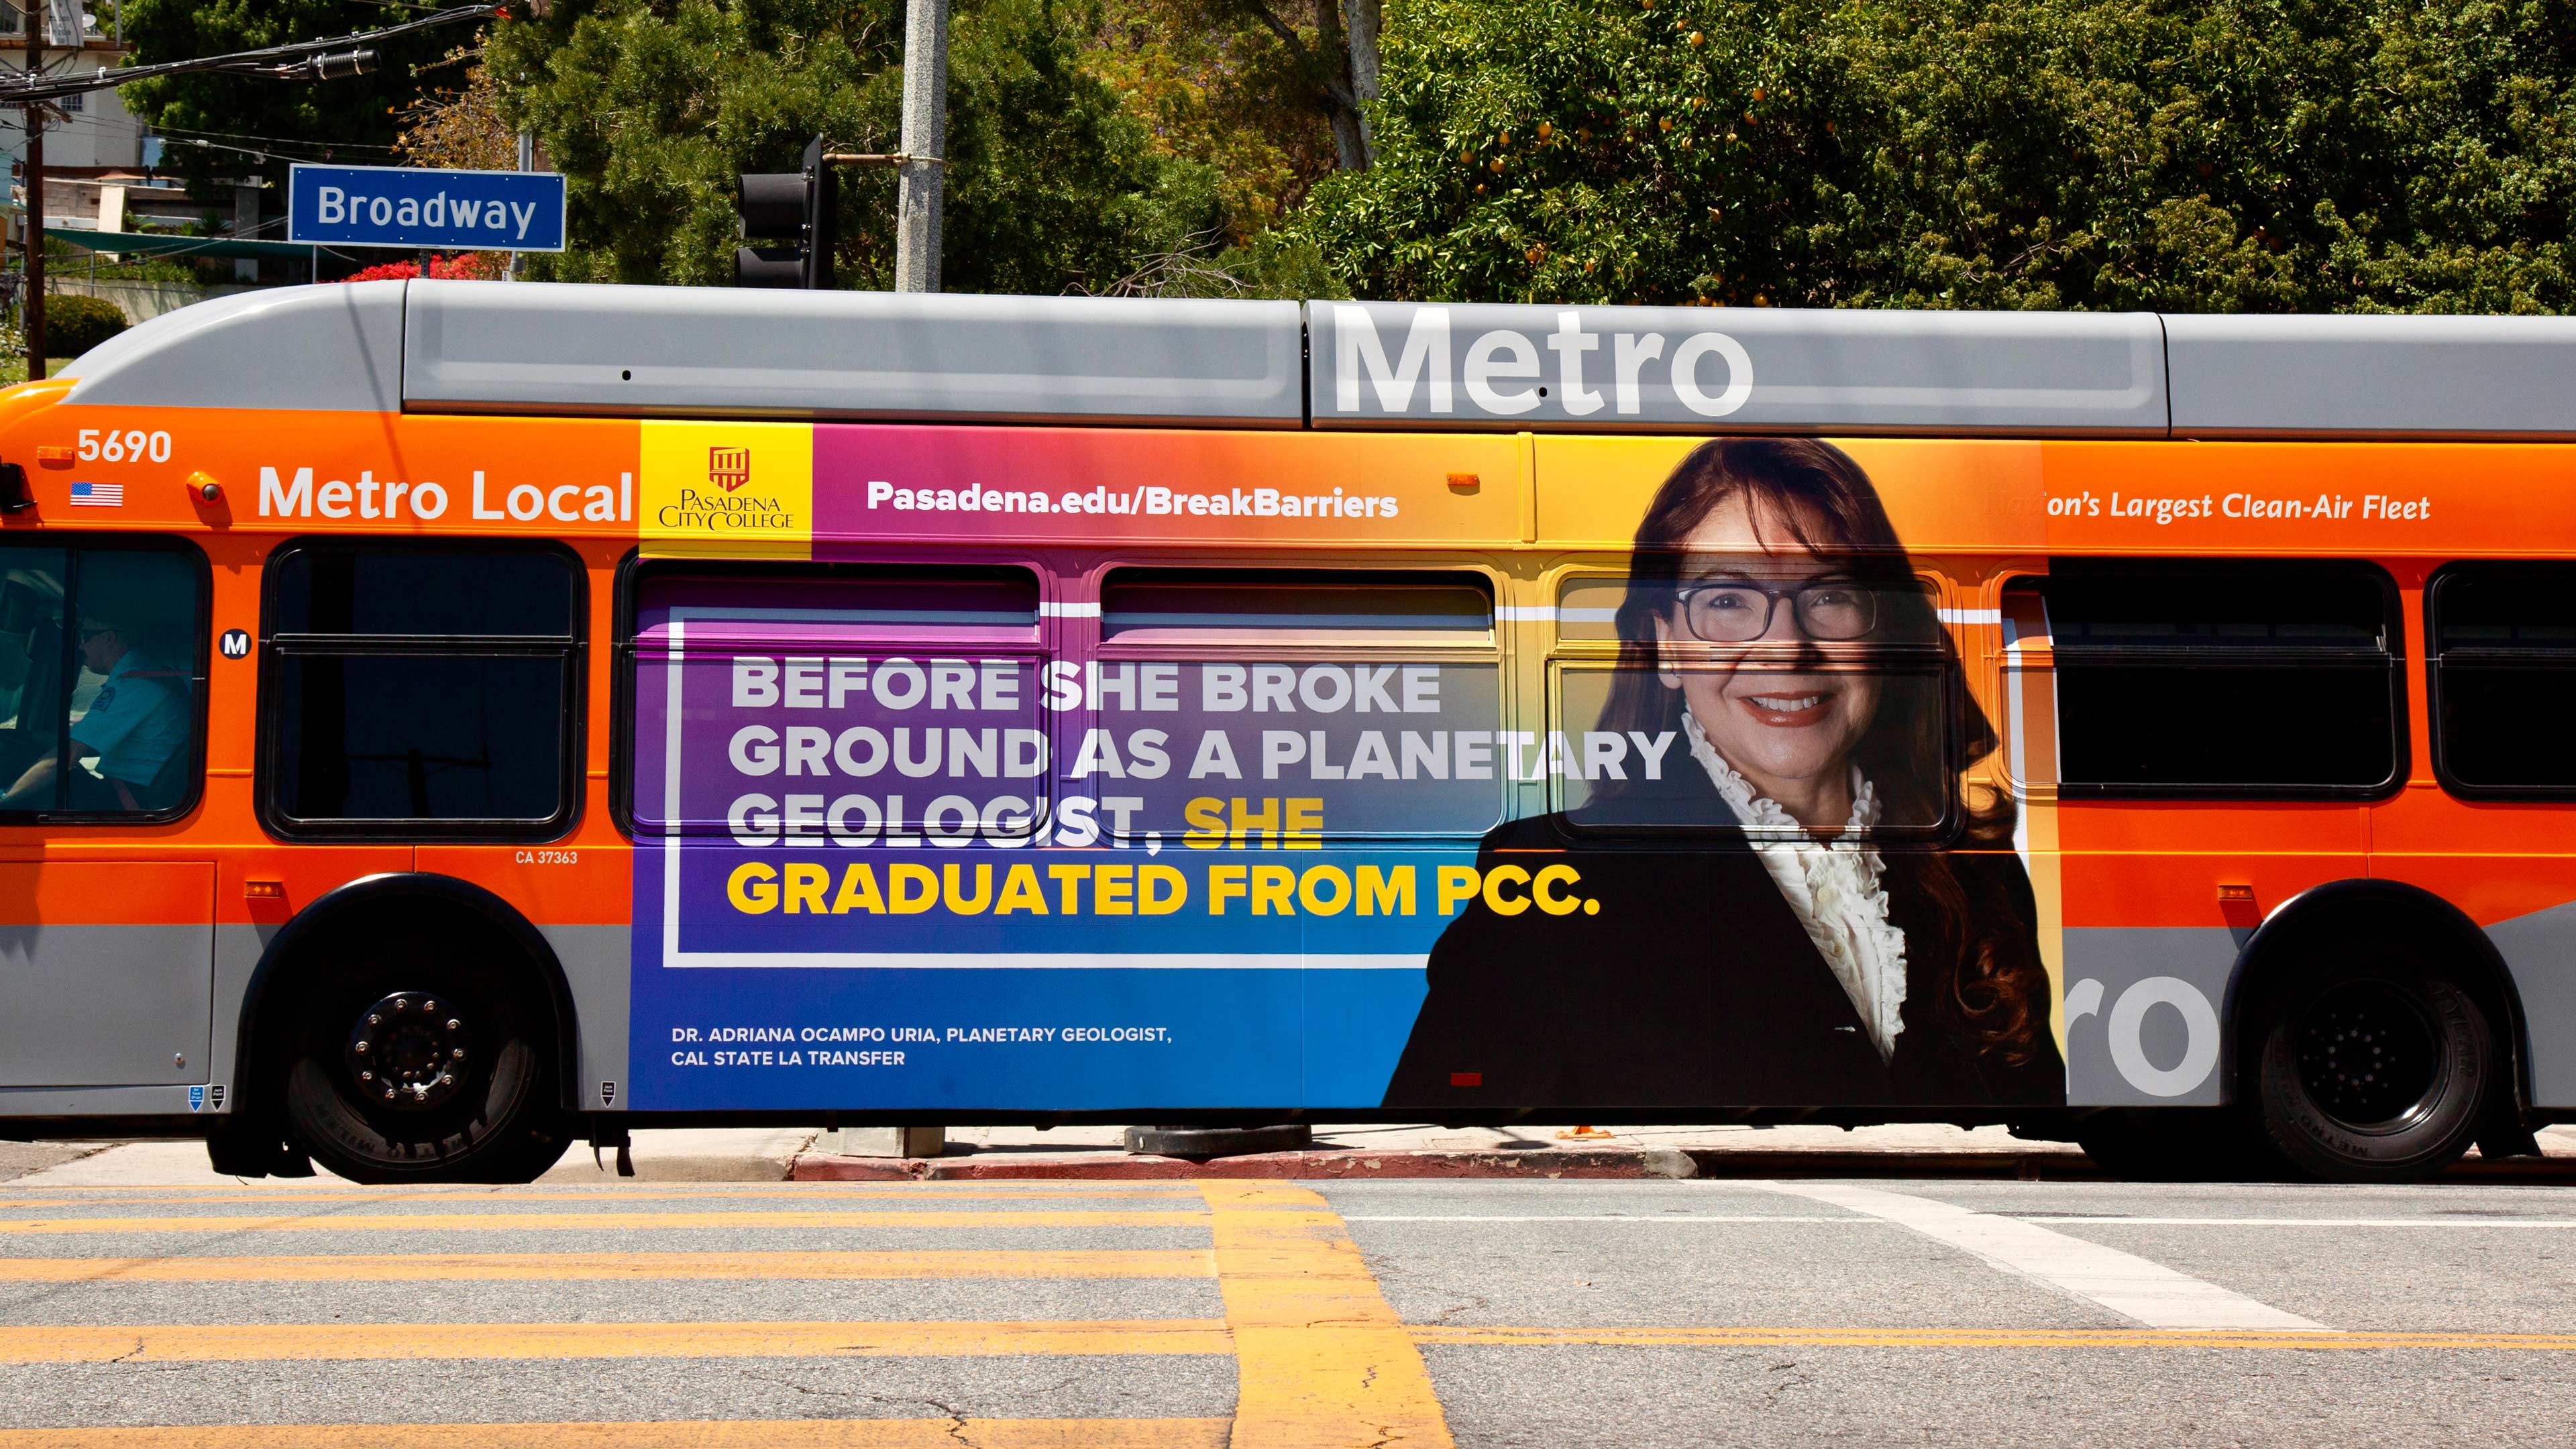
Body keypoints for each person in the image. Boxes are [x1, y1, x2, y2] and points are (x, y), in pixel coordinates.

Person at [1383, 437, 2062, 1110]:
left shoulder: (1973, 864)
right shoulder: (1548, 875)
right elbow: (1446, 1156)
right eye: (1729, 601)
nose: (1788, 647)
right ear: (1667, 646)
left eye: (1830, 595)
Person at [0, 614, 191, 811]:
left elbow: (69, 754)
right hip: (130, 791)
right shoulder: (141, 676)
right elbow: (83, 741)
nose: (81, 646)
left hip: (130, 799)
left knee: (33, 787)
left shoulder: (136, 684)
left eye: (86, 636)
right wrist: (29, 738)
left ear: (109, 638)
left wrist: (5, 797)